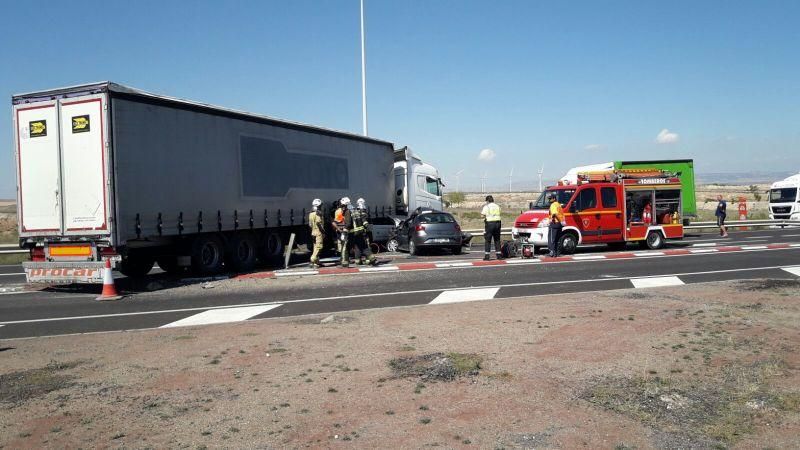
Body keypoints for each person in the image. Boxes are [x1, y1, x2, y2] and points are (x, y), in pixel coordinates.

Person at [350, 198, 377, 266]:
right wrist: (368, 226)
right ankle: (370, 259)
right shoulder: (363, 213)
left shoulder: (354, 212)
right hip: (362, 233)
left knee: (357, 247)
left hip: (354, 234)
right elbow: (365, 222)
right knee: (365, 246)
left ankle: (358, 261)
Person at [481, 195, 502, 261]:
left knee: (488, 240)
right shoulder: (497, 206)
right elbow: (500, 213)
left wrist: (484, 217)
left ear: (487, 201)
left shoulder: (486, 207)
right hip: (498, 223)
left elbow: (482, 215)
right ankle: (499, 256)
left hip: (490, 224)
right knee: (497, 239)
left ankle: (487, 256)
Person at [308, 199, 325, 268]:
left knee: (315, 247)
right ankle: (313, 259)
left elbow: (310, 225)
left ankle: (316, 263)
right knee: (319, 247)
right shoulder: (318, 213)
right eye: (320, 205)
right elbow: (319, 223)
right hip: (318, 232)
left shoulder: (311, 214)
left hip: (313, 232)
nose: (321, 207)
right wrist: (323, 232)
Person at [548, 193, 565, 257]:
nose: (549, 200)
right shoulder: (559, 205)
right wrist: (562, 222)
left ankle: (553, 253)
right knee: (558, 239)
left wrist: (554, 220)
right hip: (559, 224)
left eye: (550, 198)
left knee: (552, 239)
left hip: (554, 223)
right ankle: (557, 253)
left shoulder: (553, 205)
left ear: (554, 198)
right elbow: (562, 214)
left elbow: (555, 214)